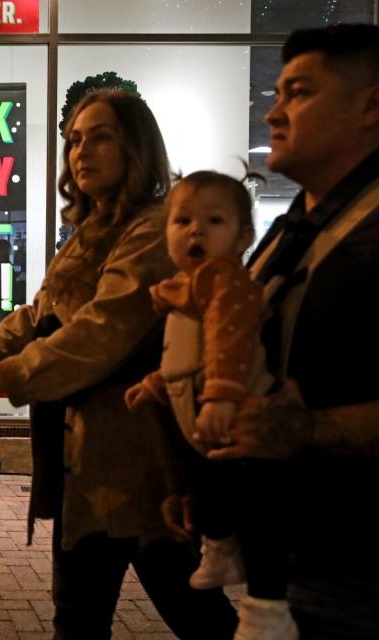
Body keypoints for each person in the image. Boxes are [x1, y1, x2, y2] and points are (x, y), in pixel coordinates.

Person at [0, 90, 237, 639]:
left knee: (196, 616)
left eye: (100, 136)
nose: (81, 151)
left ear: (136, 147)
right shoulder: (91, 231)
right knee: (79, 619)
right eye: (73, 139)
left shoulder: (153, 231)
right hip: (86, 465)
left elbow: (96, 334)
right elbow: (41, 317)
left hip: (145, 467)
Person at [194, 24, 379, 638]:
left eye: (298, 92)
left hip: (376, 581)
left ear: (372, 104)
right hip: (293, 569)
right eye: (276, 92)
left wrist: (312, 429)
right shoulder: (291, 227)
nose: (273, 112)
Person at [124, 171, 296, 639]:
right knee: (212, 491)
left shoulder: (223, 283)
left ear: (243, 236)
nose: (195, 230)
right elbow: (188, 357)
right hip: (202, 420)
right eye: (182, 221)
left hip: (232, 416)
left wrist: (220, 395)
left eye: (213, 220)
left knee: (255, 508)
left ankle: (266, 604)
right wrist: (156, 384)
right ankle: (220, 548)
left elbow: (227, 344)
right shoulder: (191, 288)